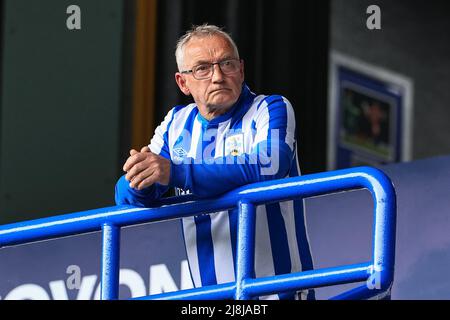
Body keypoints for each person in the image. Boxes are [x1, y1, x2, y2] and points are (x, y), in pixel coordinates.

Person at [115, 24, 314, 300]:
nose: (218, 76)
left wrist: (176, 173)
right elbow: (130, 197)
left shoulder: (270, 107)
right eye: (202, 69)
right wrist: (139, 179)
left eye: (227, 64)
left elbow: (269, 164)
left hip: (278, 295)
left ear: (241, 70)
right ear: (183, 83)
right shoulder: (175, 123)